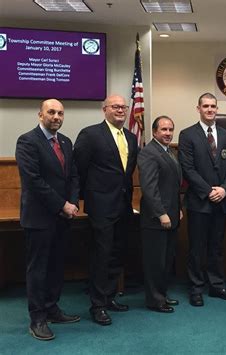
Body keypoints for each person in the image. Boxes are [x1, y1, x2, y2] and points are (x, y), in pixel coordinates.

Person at [15, 99, 80, 341]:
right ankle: (38, 319)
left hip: (63, 217)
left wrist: (72, 203)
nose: (56, 116)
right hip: (39, 218)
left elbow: (73, 175)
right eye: (51, 112)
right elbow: (33, 181)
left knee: (56, 266)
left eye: (60, 113)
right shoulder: (27, 141)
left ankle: (52, 309)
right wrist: (62, 205)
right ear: (40, 115)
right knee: (38, 269)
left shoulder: (65, 142)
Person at [74, 94, 138, 325]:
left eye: (123, 107)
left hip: (123, 206)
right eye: (115, 107)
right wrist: (84, 199)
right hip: (101, 206)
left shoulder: (131, 138)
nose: (120, 110)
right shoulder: (90, 134)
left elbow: (126, 173)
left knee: (116, 253)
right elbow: (79, 170)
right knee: (101, 255)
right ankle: (98, 305)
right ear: (105, 109)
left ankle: (110, 297)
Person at [178, 92, 226, 306]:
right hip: (199, 202)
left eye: (213, 106)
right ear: (198, 108)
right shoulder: (187, 135)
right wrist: (208, 190)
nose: (210, 109)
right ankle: (196, 288)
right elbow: (188, 169)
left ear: (217, 109)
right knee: (196, 247)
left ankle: (216, 285)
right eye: (206, 106)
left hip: (222, 201)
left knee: (217, 247)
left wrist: (224, 190)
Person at [138, 116, 182, 313]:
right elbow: (149, 188)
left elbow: (172, 186)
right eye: (163, 129)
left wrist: (177, 208)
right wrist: (161, 213)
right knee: (155, 261)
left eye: (170, 129)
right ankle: (155, 300)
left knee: (165, 260)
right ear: (155, 132)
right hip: (156, 219)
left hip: (171, 214)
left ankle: (161, 295)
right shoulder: (149, 153)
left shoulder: (170, 151)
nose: (168, 133)